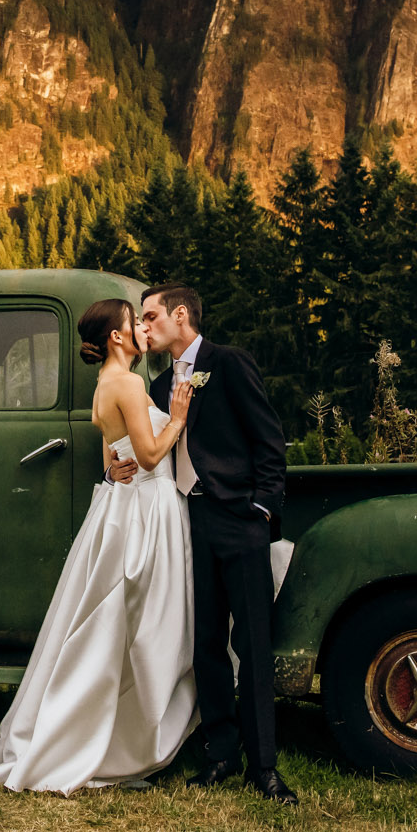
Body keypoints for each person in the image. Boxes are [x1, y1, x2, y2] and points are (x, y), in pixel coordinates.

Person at [0, 298, 199, 793]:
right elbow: (148, 455)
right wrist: (178, 418)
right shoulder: (130, 383)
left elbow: (112, 459)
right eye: (134, 322)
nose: (142, 329)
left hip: (123, 504)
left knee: (117, 624)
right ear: (117, 337)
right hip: (150, 508)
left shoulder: (105, 385)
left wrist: (115, 468)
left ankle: (102, 730)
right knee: (152, 624)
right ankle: (132, 736)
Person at [117, 282, 296, 804]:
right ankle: (221, 754)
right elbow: (143, 444)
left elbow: (268, 438)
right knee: (206, 643)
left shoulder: (229, 363)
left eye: (151, 317)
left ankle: (264, 767)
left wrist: (262, 508)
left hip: (240, 519)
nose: (144, 327)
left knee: (253, 646)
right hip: (186, 522)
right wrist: (114, 466)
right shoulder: (155, 385)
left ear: (180, 315)